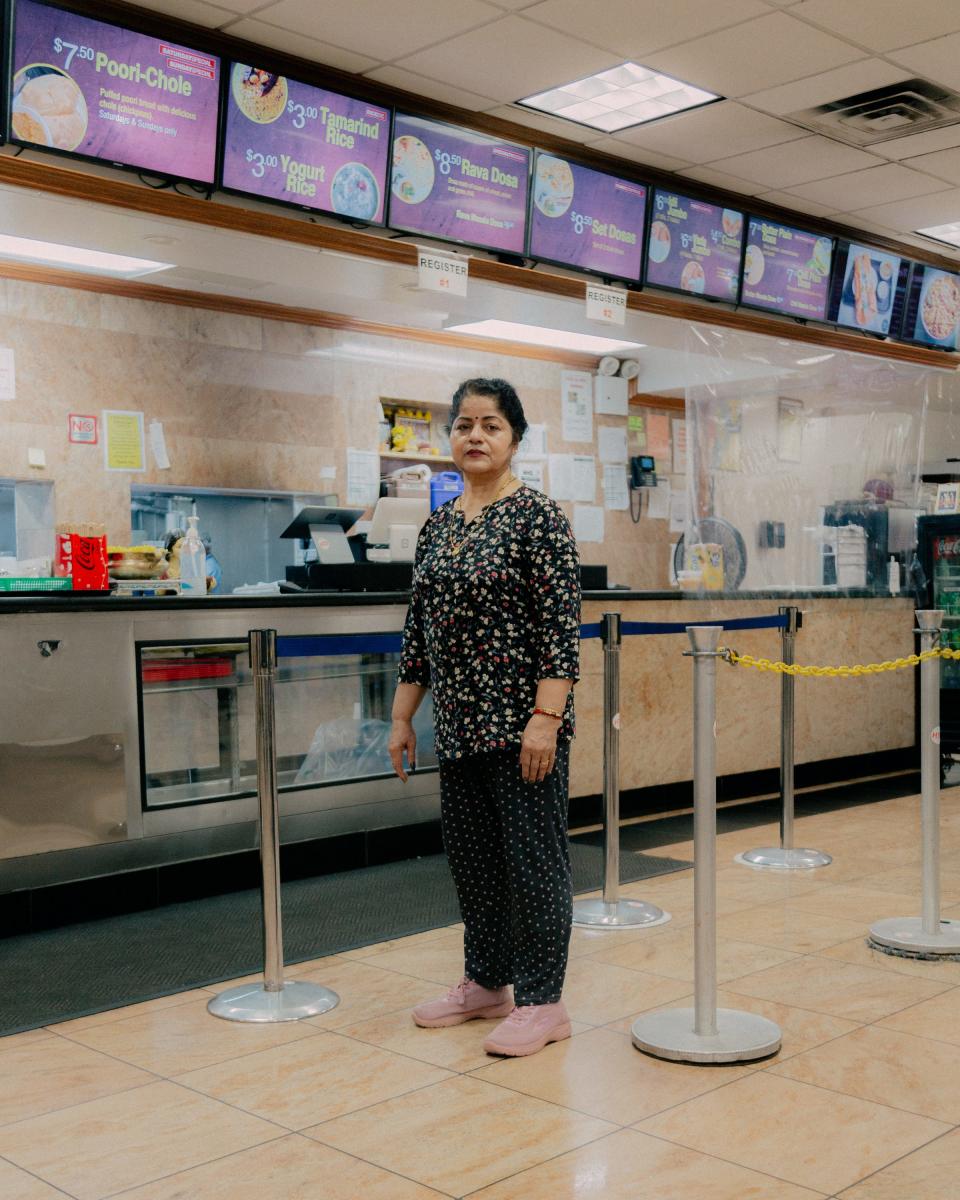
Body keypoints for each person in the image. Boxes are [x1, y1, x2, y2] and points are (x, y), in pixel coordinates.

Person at [389, 377, 581, 1057]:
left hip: (522, 723)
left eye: (491, 425)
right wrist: (403, 716)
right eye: (465, 423)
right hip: (460, 724)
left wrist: (545, 717)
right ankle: (486, 983)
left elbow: (561, 629)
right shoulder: (438, 526)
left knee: (534, 864)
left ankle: (542, 1001)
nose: (475, 435)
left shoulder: (538, 518)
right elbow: (420, 631)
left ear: (515, 438)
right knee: (474, 862)